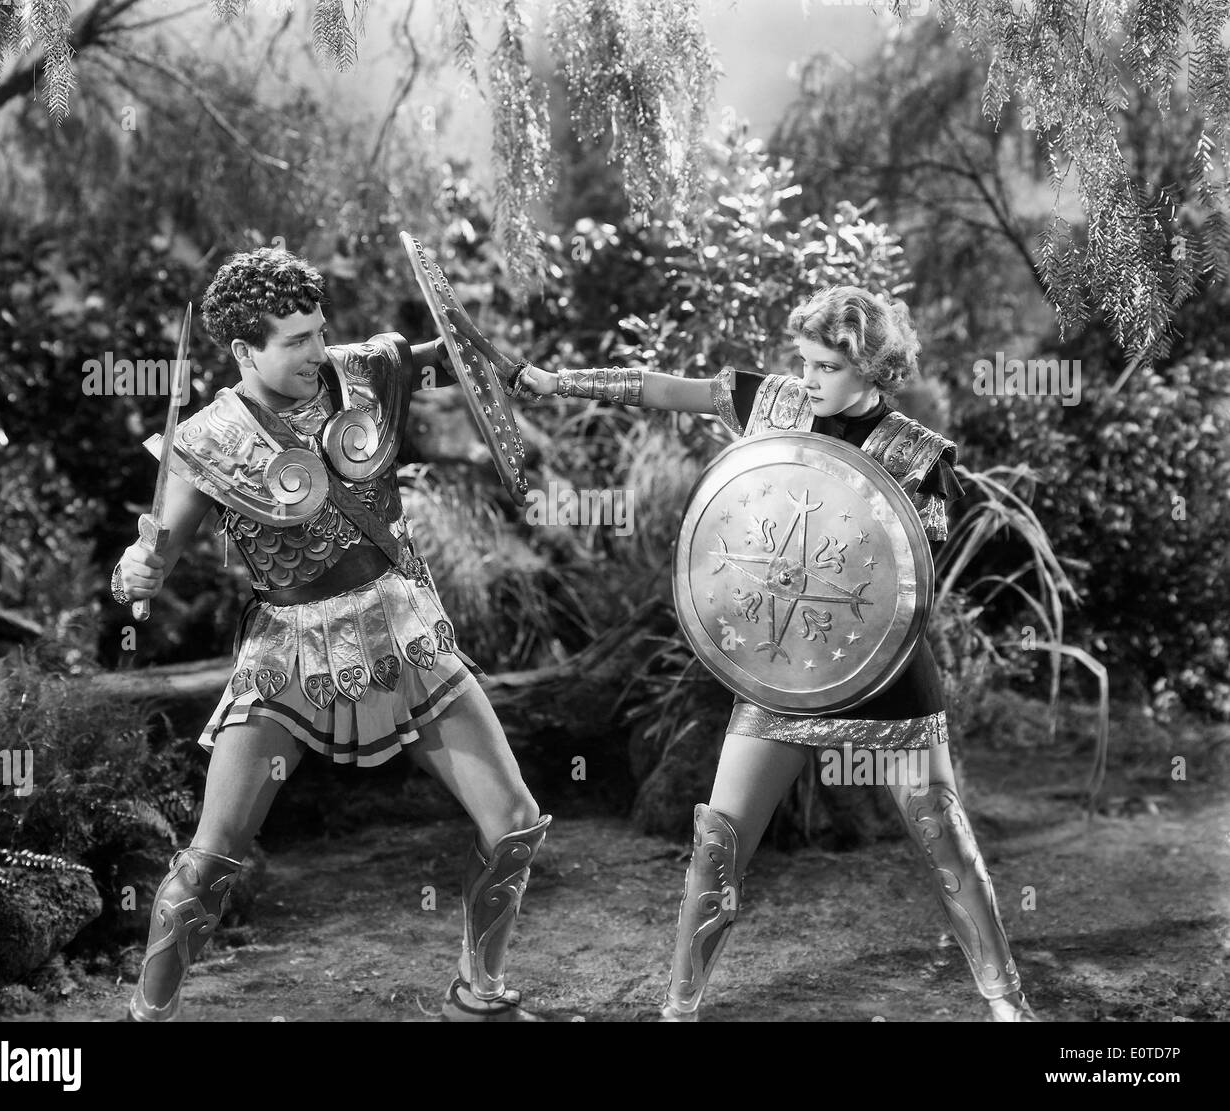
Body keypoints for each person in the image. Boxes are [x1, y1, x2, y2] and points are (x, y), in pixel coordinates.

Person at [511, 286, 1037, 1022]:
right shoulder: (776, 403)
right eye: (805, 360)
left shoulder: (919, 455)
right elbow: (669, 390)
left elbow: (901, 575)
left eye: (826, 365)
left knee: (942, 834)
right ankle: (678, 1008)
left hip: (884, 680)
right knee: (718, 842)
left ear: (875, 370)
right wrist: (558, 381)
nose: (809, 377)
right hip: (781, 678)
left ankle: (1007, 1003)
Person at [112, 247, 549, 1022]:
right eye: (295, 340)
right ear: (245, 350)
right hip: (288, 652)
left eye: (318, 330)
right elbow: (158, 552)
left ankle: (478, 995)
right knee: (213, 858)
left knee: (513, 822)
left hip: (401, 625)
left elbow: (448, 355)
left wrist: (506, 366)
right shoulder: (209, 438)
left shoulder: (363, 371)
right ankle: (148, 1016)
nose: (317, 350)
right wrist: (134, 571)